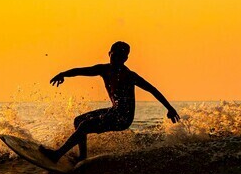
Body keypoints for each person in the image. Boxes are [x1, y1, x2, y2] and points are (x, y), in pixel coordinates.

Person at [40, 41, 180, 163]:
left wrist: (170, 108)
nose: (117, 59)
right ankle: (82, 158)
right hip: (114, 111)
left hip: (124, 118)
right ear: (109, 54)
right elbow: (81, 71)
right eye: (114, 55)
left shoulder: (130, 76)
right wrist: (63, 74)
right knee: (79, 121)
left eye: (120, 57)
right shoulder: (104, 69)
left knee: (85, 125)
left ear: (125, 58)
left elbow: (152, 89)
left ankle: (57, 155)